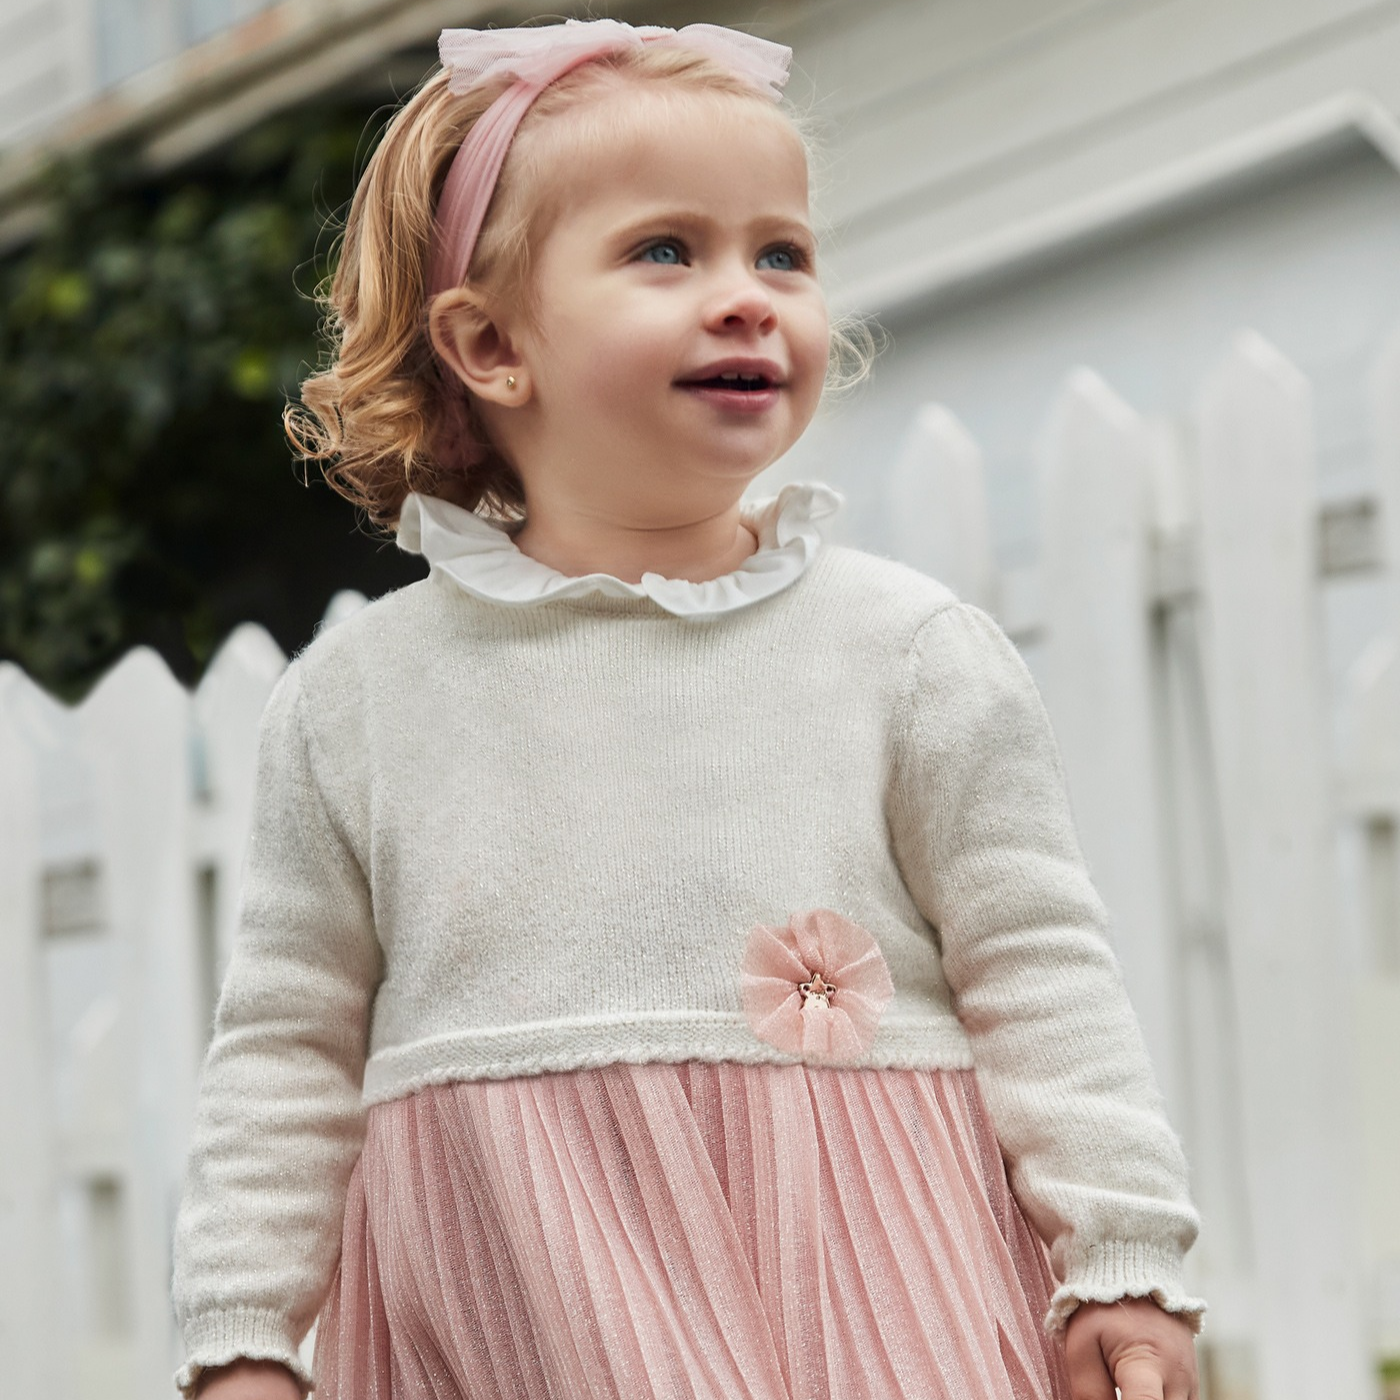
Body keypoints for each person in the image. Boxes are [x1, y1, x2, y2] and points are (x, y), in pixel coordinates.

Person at [172, 17, 1205, 1400]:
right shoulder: (357, 705)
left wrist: (1121, 1256)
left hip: (866, 1294)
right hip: (515, 1309)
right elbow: (285, 1051)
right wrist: (241, 1336)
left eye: (781, 252)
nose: (747, 294)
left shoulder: (906, 654)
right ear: (489, 343)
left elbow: (1042, 970)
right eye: (669, 249)